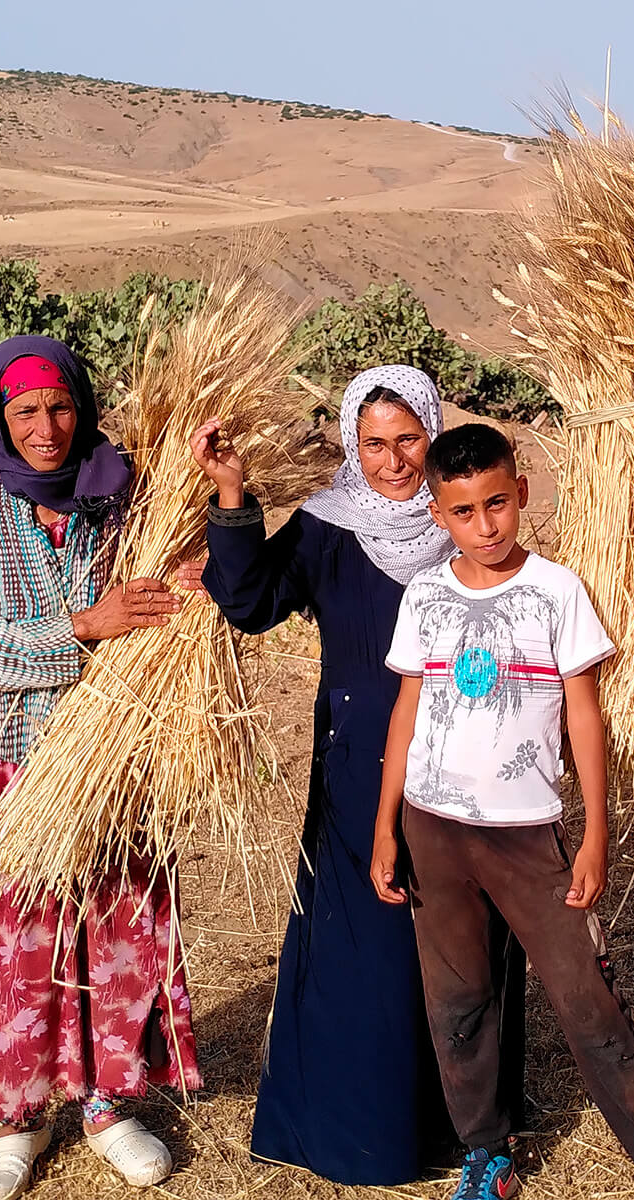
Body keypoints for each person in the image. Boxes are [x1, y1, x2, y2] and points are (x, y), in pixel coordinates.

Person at [190, 365, 525, 1186]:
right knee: (367, 945)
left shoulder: (465, 519)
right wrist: (232, 496)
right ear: (350, 441)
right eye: (373, 443)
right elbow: (250, 602)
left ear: (434, 430)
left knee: (460, 941)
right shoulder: (325, 527)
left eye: (408, 438)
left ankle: (469, 1128)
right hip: (358, 762)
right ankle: (364, 1129)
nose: (392, 460)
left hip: (468, 761)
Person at [372, 422, 634, 1200]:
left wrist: (593, 832)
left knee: (586, 998)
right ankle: (487, 1153)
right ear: (438, 516)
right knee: (458, 1001)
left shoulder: (556, 591)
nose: (484, 525)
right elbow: (406, 712)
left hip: (528, 836)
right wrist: (385, 825)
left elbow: (582, 716)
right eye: (463, 512)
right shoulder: (425, 596)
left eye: (497, 503)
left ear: (521, 493)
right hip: (434, 829)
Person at [0, 336, 201, 1200]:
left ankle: (106, 1101)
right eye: (23, 411)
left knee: (116, 930)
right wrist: (82, 629)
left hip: (113, 760)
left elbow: (173, 587)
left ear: (81, 407)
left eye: (59, 407)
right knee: (18, 935)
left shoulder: (122, 499)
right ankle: (21, 1114)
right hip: (14, 763)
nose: (45, 428)